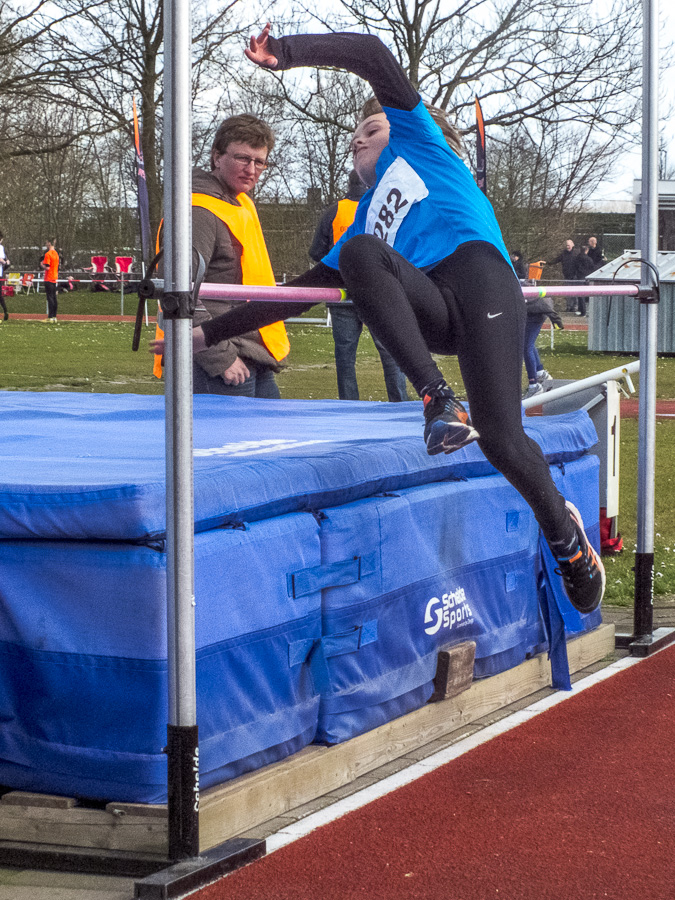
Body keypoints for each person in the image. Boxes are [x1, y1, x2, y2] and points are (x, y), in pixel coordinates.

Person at [153, 26, 605, 615]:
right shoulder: (362, 216)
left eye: (370, 130)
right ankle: (437, 397)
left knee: (501, 438)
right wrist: (206, 331)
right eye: (354, 138)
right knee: (359, 253)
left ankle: (566, 539)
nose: (358, 142)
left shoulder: (421, 142)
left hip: (482, 282)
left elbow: (370, 55)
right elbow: (301, 293)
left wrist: (287, 54)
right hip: (434, 308)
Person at [184, 113, 289, 397]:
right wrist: (219, 356)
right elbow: (180, 291)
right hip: (224, 359)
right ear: (217, 157)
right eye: (243, 158)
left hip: (252, 351)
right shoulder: (198, 211)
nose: (252, 169)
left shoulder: (240, 204)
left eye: (260, 162)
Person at [310, 169, 408, 401]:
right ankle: (399, 402)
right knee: (391, 352)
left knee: (345, 357)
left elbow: (316, 252)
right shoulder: (384, 210)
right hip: (377, 291)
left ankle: (349, 406)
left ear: (349, 184)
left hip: (341, 293)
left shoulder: (334, 212)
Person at [523, 296, 564, 398]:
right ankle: (540, 373)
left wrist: (555, 318)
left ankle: (534, 385)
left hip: (534, 312)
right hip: (533, 311)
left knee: (526, 347)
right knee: (528, 344)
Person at [548, 239, 579, 313]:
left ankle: (575, 306)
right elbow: (556, 260)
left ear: (572, 245)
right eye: (566, 245)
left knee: (575, 292)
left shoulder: (576, 253)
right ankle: (569, 306)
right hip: (567, 275)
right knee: (568, 292)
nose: (567, 247)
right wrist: (548, 263)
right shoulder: (564, 254)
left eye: (568, 245)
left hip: (575, 275)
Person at [574, 244, 596, 316]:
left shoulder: (577, 258)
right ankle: (588, 311)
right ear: (587, 250)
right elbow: (592, 268)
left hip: (579, 277)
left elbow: (575, 267)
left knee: (581, 295)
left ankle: (582, 311)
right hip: (587, 278)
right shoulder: (588, 259)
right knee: (589, 295)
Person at [41, 239, 59, 323]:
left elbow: (47, 267)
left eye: (46, 243)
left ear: (49, 243)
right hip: (54, 277)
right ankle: (54, 316)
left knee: (50, 298)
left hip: (48, 277)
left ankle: (50, 317)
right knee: (54, 297)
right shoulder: (56, 254)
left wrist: (42, 265)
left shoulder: (48, 254)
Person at [0, 232, 9, 322]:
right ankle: (5, 311)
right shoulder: (0, 247)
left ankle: (5, 311)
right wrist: (6, 262)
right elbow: (1, 259)